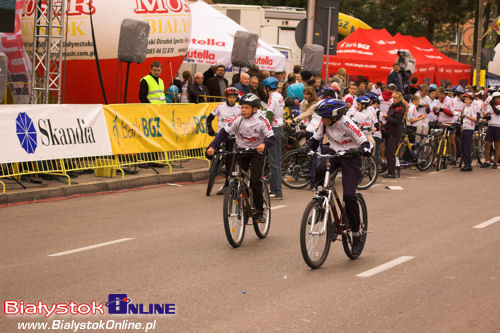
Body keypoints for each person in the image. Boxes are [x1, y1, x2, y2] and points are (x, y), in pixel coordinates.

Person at [303, 99, 372, 255]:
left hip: (351, 156)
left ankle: (356, 234)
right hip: (335, 153)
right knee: (320, 168)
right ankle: (321, 203)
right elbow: (315, 139)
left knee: (349, 196)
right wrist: (307, 147)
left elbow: (364, 141)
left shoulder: (347, 123)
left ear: (335, 116)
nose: (321, 120)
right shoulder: (324, 123)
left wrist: (364, 149)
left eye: (324, 117)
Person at [206, 94, 276, 223]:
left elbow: (272, 138)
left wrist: (264, 144)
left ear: (254, 109)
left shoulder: (261, 120)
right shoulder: (238, 119)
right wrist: (212, 146)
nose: (243, 110)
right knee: (233, 177)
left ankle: (259, 211)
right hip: (241, 151)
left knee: (255, 181)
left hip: (256, 153)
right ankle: (241, 197)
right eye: (242, 107)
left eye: (246, 107)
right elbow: (223, 133)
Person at [206, 87, 241, 194]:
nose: (231, 99)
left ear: (236, 98)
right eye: (229, 97)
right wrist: (210, 128)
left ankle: (227, 183)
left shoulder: (239, 109)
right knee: (209, 151)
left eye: (233, 97)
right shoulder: (220, 107)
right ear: (226, 97)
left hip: (232, 136)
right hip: (221, 134)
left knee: (229, 161)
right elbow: (209, 118)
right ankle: (215, 167)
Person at [262, 77, 285, 200]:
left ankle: (276, 191)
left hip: (274, 129)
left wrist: (266, 128)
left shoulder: (272, 97)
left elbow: (270, 113)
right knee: (276, 161)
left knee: (274, 162)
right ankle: (276, 190)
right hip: (279, 127)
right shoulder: (280, 96)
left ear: (267, 88)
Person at [382, 92, 405, 178]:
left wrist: (386, 117)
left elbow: (397, 121)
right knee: (388, 152)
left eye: (395, 98)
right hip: (389, 131)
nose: (393, 100)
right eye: (393, 98)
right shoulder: (392, 106)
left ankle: (392, 173)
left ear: (399, 99)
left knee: (391, 153)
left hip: (395, 133)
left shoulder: (400, 108)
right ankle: (390, 171)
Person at [433, 87, 459, 164]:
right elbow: (438, 113)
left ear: (442, 94)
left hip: (450, 122)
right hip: (441, 122)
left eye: (438, 94)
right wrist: (435, 111)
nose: (437, 96)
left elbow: (452, 113)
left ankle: (454, 157)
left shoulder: (449, 101)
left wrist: (442, 109)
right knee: (440, 140)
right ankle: (440, 157)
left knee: (452, 142)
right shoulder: (438, 101)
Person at [481, 91, 500, 168]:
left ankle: (495, 162)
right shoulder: (491, 106)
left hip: (498, 127)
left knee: (497, 145)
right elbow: (489, 116)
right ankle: (487, 161)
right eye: (495, 98)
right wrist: (485, 118)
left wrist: (492, 106)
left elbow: (497, 112)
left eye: (498, 98)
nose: (496, 100)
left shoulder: (494, 106)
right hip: (491, 126)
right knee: (487, 144)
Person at [460, 93, 477, 171]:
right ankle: (466, 163)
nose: (465, 100)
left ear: (470, 100)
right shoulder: (464, 107)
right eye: (465, 99)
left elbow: (474, 118)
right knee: (463, 146)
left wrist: (466, 116)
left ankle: (468, 164)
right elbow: (463, 118)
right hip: (464, 128)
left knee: (467, 146)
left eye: (467, 99)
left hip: (469, 128)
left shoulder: (472, 108)